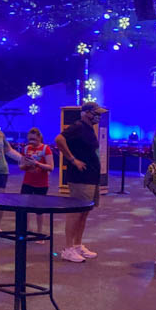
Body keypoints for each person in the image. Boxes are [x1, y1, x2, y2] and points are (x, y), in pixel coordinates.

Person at [53, 102, 106, 263]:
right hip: (79, 178)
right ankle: (68, 248)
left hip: (91, 177)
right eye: (96, 113)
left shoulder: (89, 129)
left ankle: (77, 245)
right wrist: (72, 159)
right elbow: (59, 139)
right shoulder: (78, 126)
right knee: (75, 212)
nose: (98, 116)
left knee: (84, 212)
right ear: (86, 113)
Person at [19, 127, 54, 237]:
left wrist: (37, 164)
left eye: (34, 139)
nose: (32, 142)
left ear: (39, 138)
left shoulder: (45, 149)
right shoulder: (26, 148)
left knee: (39, 210)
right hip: (27, 182)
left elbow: (51, 167)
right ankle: (25, 231)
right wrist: (26, 165)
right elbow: (21, 166)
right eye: (30, 139)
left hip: (41, 184)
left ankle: (39, 233)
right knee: (24, 208)